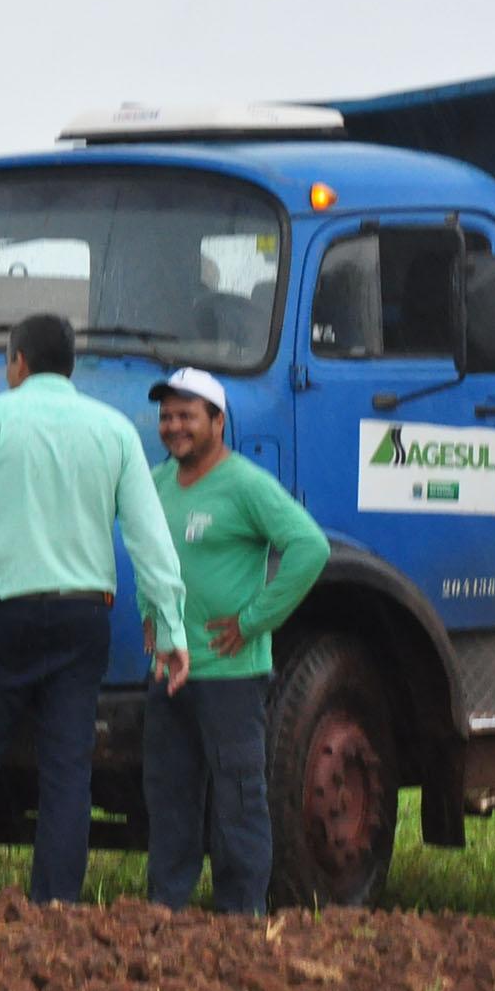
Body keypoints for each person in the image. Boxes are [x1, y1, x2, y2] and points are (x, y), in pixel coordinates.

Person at [0, 313, 189, 904]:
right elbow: (151, 540)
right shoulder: (113, 431)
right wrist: (171, 626)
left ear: (18, 362)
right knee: (66, 771)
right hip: (82, 620)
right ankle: (55, 909)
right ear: (70, 366)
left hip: (1, 616)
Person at [141, 368, 329, 915]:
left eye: (187, 416)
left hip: (230, 675)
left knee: (238, 798)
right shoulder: (154, 484)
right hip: (168, 671)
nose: (174, 427)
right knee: (170, 796)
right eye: (167, 416)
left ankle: (239, 916)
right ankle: (166, 909)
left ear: (217, 422)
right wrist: (148, 616)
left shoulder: (246, 484)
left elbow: (308, 547)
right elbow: (150, 559)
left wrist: (253, 620)